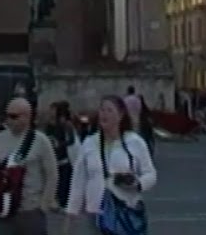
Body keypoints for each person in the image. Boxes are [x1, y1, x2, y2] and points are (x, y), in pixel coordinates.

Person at [66, 95, 158, 235]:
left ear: (120, 115)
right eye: (102, 110)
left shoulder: (135, 142)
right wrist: (71, 213)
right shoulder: (89, 143)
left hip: (125, 210)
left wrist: (137, 183)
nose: (104, 114)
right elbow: (79, 180)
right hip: (95, 213)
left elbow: (150, 174)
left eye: (109, 110)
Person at [0, 97, 59, 235]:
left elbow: (52, 174)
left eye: (13, 116)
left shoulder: (41, 141)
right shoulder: (0, 138)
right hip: (1, 211)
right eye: (6, 115)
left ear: (27, 117)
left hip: (30, 211)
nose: (8, 120)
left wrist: (43, 206)